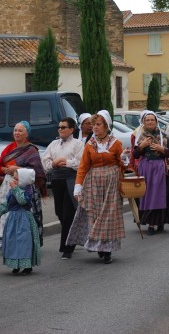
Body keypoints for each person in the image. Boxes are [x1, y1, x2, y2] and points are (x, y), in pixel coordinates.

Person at [68, 110, 125, 264]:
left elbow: (123, 165)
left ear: (106, 125)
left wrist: (125, 159)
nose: (95, 127)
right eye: (93, 124)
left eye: (98, 124)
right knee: (96, 215)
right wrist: (78, 186)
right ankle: (100, 246)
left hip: (111, 184)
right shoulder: (90, 145)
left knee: (109, 216)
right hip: (93, 184)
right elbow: (83, 167)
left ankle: (107, 250)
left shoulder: (116, 143)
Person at [0, 121, 46, 250]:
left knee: (25, 215)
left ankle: (28, 243)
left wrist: (18, 168)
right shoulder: (9, 148)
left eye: (20, 130)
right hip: (8, 184)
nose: (16, 133)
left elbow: (37, 172)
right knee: (6, 211)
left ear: (27, 133)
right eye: (15, 130)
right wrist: (6, 170)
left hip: (25, 186)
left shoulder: (32, 150)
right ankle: (5, 241)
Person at [42, 117, 84, 259]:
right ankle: (72, 236)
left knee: (68, 213)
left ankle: (67, 247)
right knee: (59, 212)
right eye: (59, 127)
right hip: (57, 180)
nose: (60, 129)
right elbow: (45, 161)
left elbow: (81, 162)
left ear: (71, 129)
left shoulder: (78, 144)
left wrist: (65, 162)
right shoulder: (54, 144)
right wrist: (53, 164)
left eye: (63, 127)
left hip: (71, 179)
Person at [132, 111, 169, 234]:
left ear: (156, 121)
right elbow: (136, 155)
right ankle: (151, 222)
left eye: (152, 120)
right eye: (147, 120)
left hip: (159, 167)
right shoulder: (140, 136)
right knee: (147, 195)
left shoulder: (162, 135)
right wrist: (141, 146)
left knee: (158, 195)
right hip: (145, 168)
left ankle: (157, 222)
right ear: (144, 122)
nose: (150, 122)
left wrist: (161, 149)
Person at [0, 168, 41, 274]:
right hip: (13, 218)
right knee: (13, 241)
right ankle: (16, 264)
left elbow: (22, 201)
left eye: (17, 179)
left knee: (23, 241)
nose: (14, 181)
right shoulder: (13, 189)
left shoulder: (28, 189)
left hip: (24, 218)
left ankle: (27, 265)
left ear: (24, 180)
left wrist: (16, 189)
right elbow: (7, 204)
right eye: (14, 178)